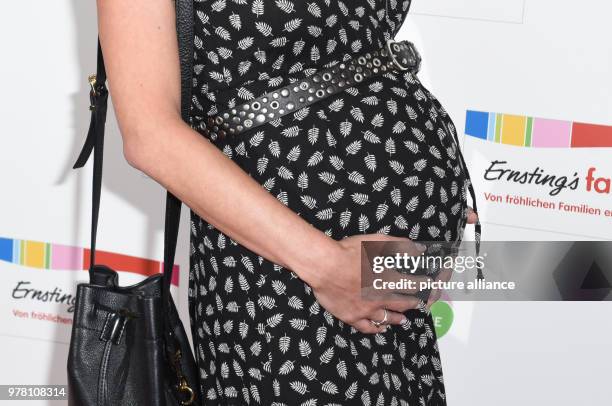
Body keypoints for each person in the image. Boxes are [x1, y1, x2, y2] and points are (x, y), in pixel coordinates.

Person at [96, 0, 478, 404]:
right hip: (287, 269)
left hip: (383, 279)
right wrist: (328, 266)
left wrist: (431, 195)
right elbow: (150, 136)